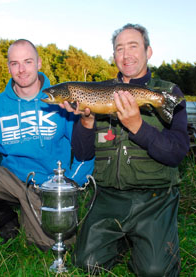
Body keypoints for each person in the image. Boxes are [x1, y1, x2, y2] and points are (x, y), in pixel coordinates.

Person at [67, 24, 190, 276]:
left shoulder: (167, 93)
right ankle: (124, 239)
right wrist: (87, 121)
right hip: (108, 197)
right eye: (119, 49)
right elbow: (81, 155)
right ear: (114, 56)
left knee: (155, 272)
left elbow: (177, 152)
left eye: (133, 46)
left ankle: (144, 242)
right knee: (86, 264)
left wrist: (137, 126)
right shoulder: (95, 93)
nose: (126, 55)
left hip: (154, 198)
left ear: (148, 51)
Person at [0, 39, 94, 250]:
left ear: (39, 63)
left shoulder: (63, 101)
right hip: (14, 180)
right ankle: (7, 222)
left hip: (50, 183)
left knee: (50, 246)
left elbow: (84, 152)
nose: (21, 69)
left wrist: (68, 186)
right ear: (8, 67)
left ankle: (34, 212)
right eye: (15, 63)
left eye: (27, 61)